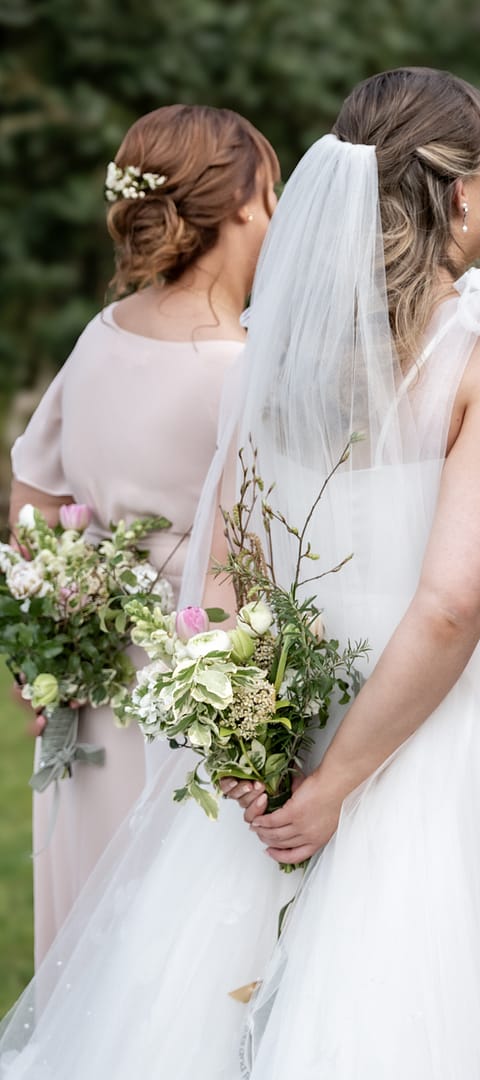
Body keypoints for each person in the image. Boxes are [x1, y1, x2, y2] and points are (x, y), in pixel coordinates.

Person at [0, 68, 480, 1079]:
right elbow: (451, 605)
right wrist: (333, 787)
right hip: (445, 727)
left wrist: (248, 737)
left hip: (296, 703)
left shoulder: (274, 344)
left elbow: (225, 575)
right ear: (465, 194)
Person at [7, 104, 278, 961]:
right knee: (180, 962)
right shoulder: (240, 372)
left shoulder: (101, 336)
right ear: (242, 204)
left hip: (90, 699)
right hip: (192, 705)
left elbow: (32, 502)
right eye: (270, 195)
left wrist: (47, 644)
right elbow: (260, 562)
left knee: (94, 948)